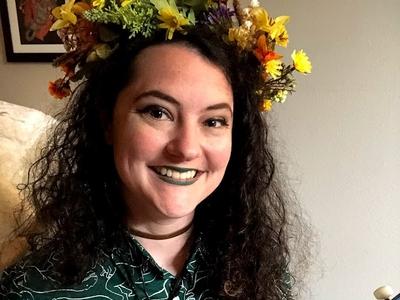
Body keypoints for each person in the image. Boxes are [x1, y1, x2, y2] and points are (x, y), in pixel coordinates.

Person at [0, 0, 312, 299]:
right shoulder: (32, 289)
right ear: (108, 122)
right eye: (157, 112)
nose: (186, 148)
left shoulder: (258, 270)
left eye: (214, 121)